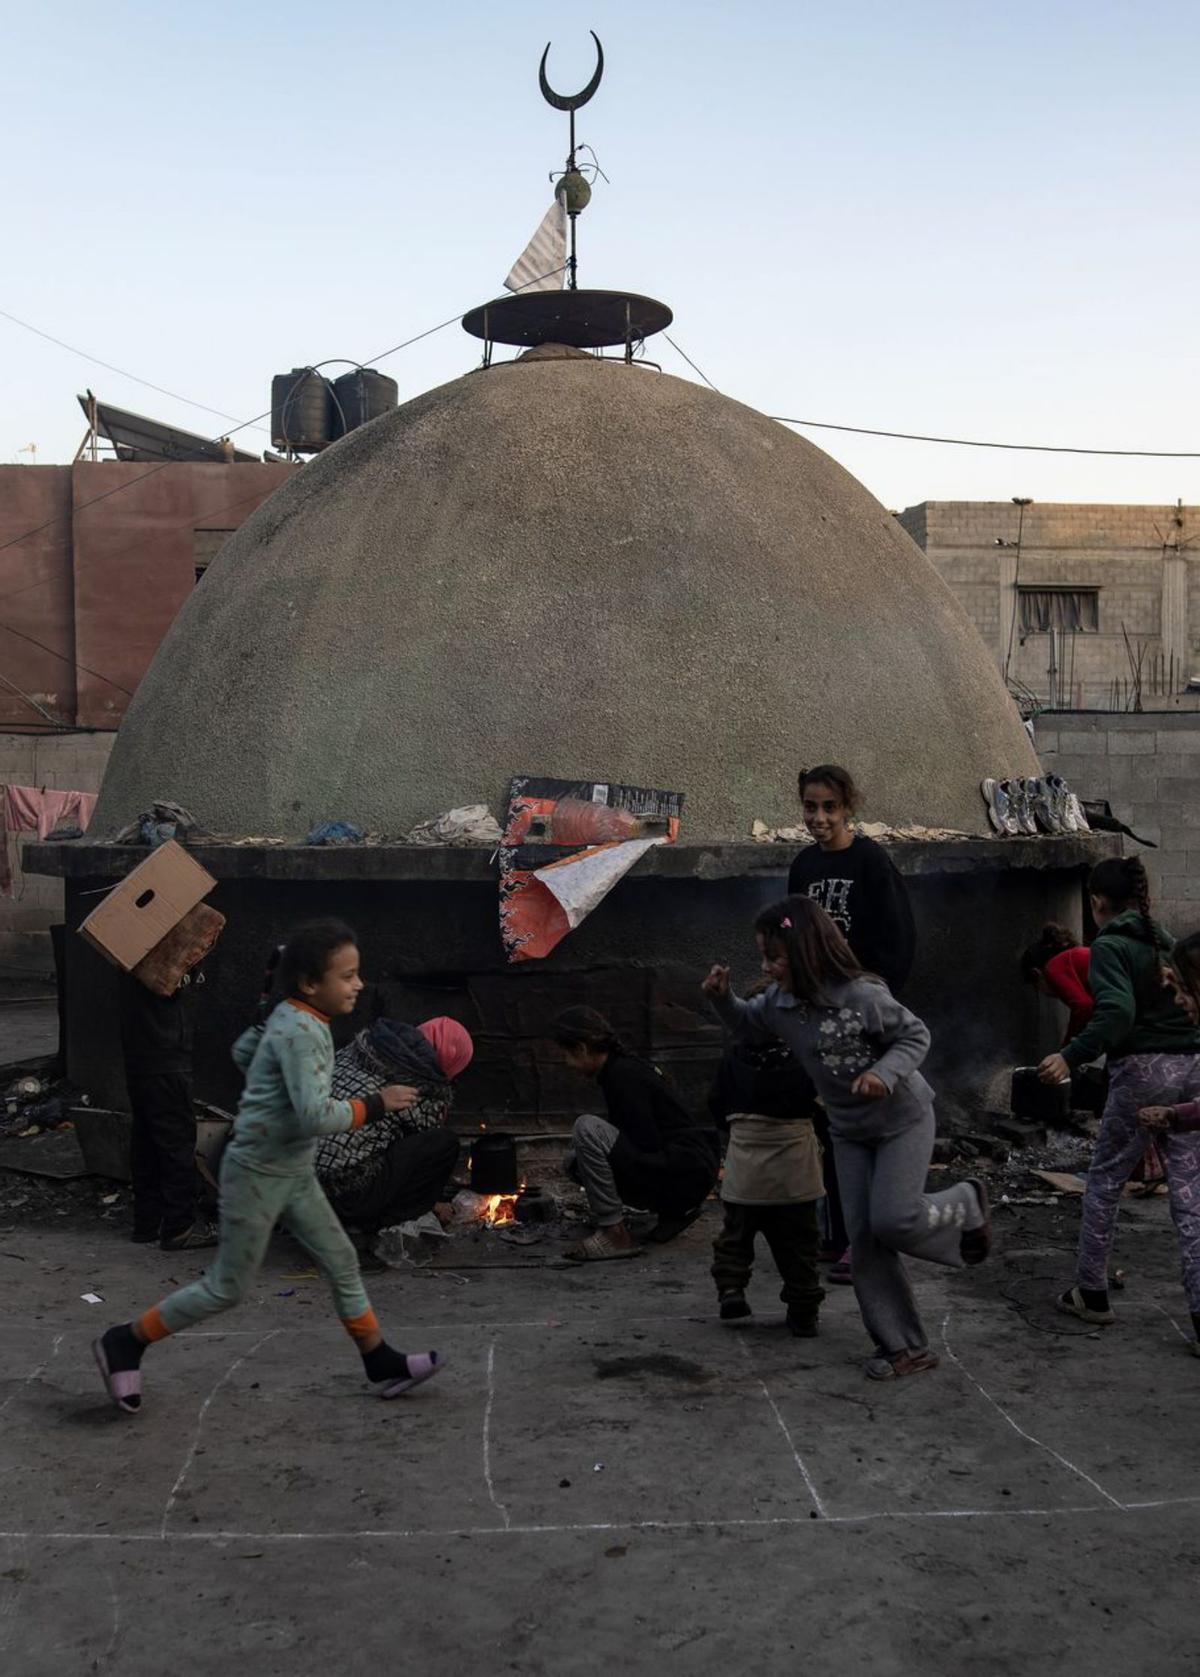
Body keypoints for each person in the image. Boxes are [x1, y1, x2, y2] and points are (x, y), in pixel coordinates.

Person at [93, 920, 443, 1414]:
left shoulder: (291, 1017)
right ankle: (124, 1341)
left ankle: (380, 1361)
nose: (358, 985)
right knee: (226, 1288)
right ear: (310, 984)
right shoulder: (305, 1032)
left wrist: (266, 1028)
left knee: (341, 1261)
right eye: (346, 976)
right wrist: (378, 1103)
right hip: (258, 1172)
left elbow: (242, 1053)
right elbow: (314, 1115)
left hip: (289, 1168)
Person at [703, 897, 989, 1381]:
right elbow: (748, 1029)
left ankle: (963, 1202)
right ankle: (903, 1347)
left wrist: (884, 1072)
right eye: (763, 957)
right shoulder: (779, 1003)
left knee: (893, 1220)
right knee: (864, 1241)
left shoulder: (861, 996)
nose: (766, 968)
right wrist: (722, 999)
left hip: (903, 1120)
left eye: (774, 958)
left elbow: (915, 1037)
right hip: (849, 1132)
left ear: (808, 953)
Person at [1039, 857, 1200, 1334]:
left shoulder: (1111, 945)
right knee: (1191, 1197)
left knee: (1105, 1182)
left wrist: (1070, 1056)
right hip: (1194, 1067)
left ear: (1096, 904)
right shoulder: (1165, 942)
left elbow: (1115, 1014)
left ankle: (1091, 1293)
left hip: (1144, 1070)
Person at [787, 765, 916, 1284]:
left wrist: (873, 1001)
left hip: (859, 1017)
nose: (819, 818)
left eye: (829, 808)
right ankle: (840, 1236)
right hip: (817, 1015)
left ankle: (865, 1240)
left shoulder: (871, 863)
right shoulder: (802, 867)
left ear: (848, 808)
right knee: (829, 1126)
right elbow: (792, 934)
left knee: (862, 1128)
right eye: (811, 807)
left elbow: (898, 941)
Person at [552, 1006, 719, 1262]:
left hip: (683, 1177)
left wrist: (609, 1163)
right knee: (575, 1162)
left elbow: (646, 1145)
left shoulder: (623, 1076)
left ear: (582, 1048)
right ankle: (674, 1212)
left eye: (566, 1054)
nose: (567, 1063)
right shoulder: (622, 1069)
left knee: (586, 1128)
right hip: (688, 1173)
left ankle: (614, 1234)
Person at [318, 1015, 472, 1269]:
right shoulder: (420, 1082)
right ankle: (375, 1226)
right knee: (442, 1143)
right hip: (347, 1194)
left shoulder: (360, 1047)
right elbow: (423, 1136)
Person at [708, 1030, 826, 1336]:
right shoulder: (806, 1056)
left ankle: (731, 1287)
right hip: (794, 1168)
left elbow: (716, 1103)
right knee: (800, 1245)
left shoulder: (733, 1058)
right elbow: (824, 1104)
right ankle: (804, 1310)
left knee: (735, 1235)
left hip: (746, 1165)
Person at [119, 966, 216, 1252]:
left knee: (147, 1139)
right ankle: (179, 1226)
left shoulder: (126, 945)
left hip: (140, 1054)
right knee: (176, 1138)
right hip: (165, 1054)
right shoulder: (160, 943)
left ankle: (147, 1222)